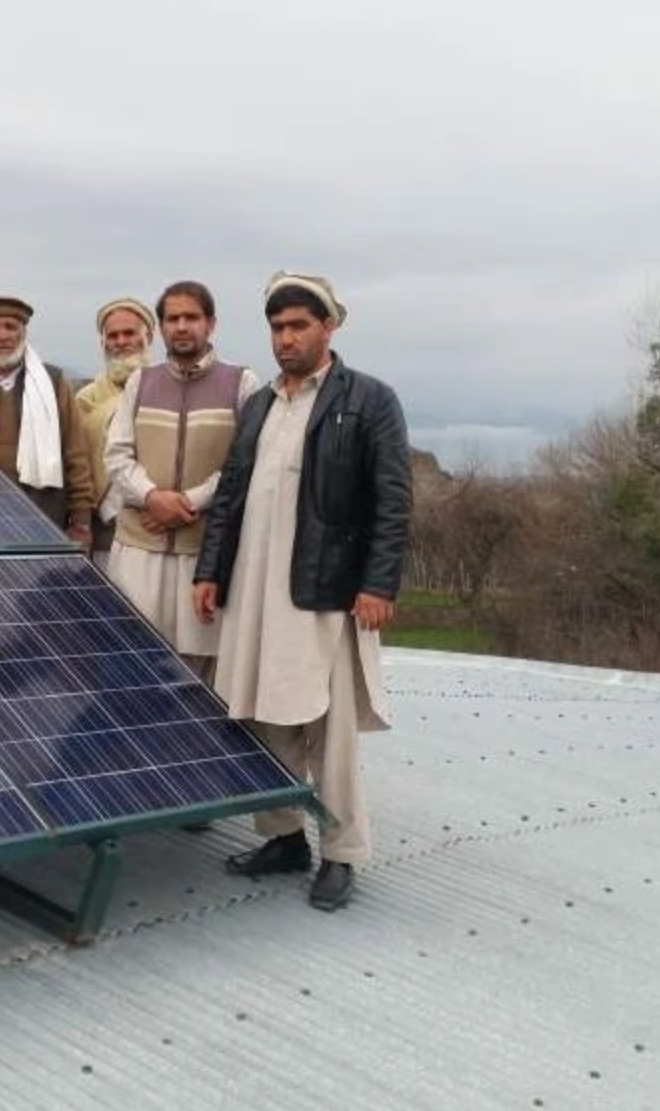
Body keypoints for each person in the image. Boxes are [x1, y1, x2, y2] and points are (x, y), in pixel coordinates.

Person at [193, 271, 411, 912]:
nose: (285, 339)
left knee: (328, 728)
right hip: (254, 592)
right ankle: (284, 838)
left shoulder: (369, 400)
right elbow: (230, 494)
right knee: (263, 720)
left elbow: (393, 501)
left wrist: (377, 583)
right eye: (277, 328)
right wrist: (211, 569)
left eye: (298, 326)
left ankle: (342, 854)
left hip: (324, 592)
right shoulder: (260, 405)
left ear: (329, 328)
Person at [104, 281, 261, 684]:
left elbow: (244, 464)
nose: (182, 326)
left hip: (203, 555)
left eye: (191, 317)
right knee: (133, 666)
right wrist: (152, 496)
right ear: (161, 327)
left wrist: (187, 503)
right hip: (139, 549)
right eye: (173, 318)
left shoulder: (241, 384)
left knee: (199, 678)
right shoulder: (141, 382)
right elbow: (117, 456)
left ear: (210, 323)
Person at [0, 295, 94, 544]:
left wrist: (81, 520)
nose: (3, 336)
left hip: (43, 512)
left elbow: (75, 452)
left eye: (11, 327)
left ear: (23, 333)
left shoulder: (53, 381)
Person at [73, 298, 158, 567]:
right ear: (103, 342)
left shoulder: (170, 388)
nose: (121, 341)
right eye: (113, 335)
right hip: (106, 535)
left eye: (130, 333)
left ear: (148, 337)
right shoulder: (86, 399)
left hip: (159, 527)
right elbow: (77, 463)